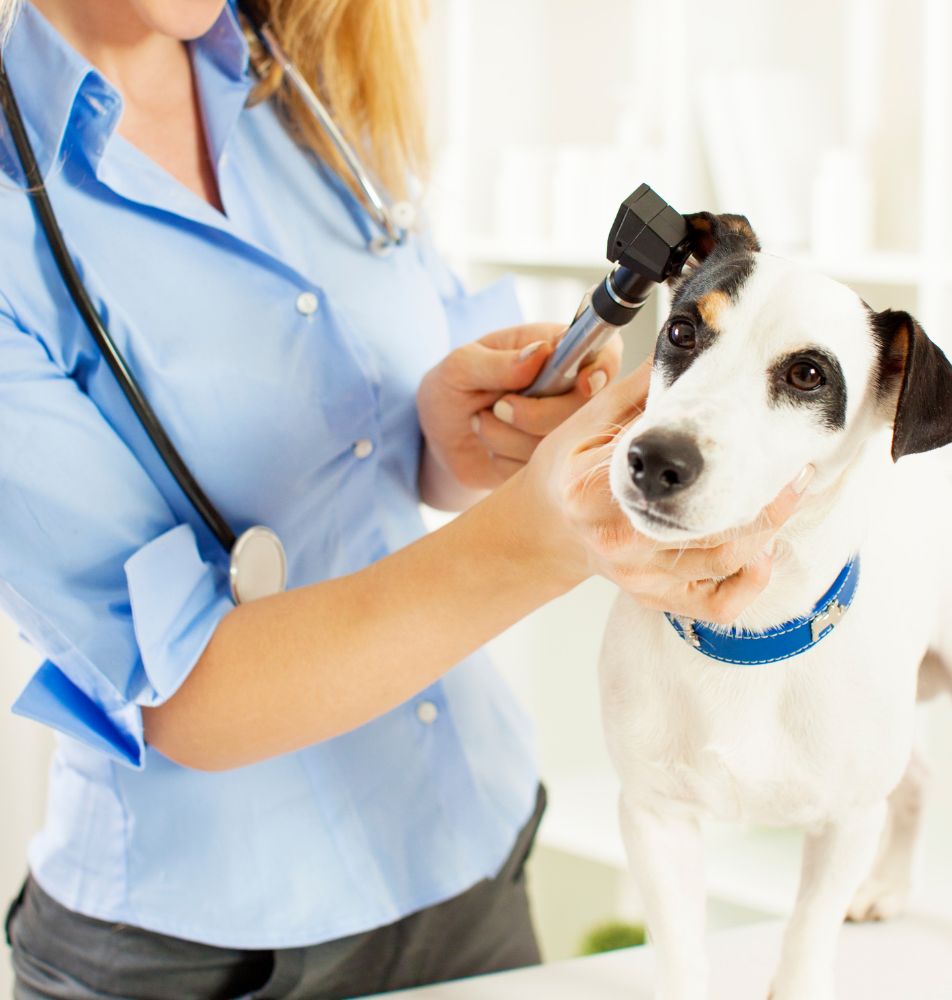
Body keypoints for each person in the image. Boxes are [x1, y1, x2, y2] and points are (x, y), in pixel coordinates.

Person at [0, 1, 809, 997]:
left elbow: (372, 443)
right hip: (207, 951)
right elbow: (191, 693)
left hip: (465, 857)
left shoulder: (293, 77)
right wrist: (541, 545)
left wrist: (451, 432)